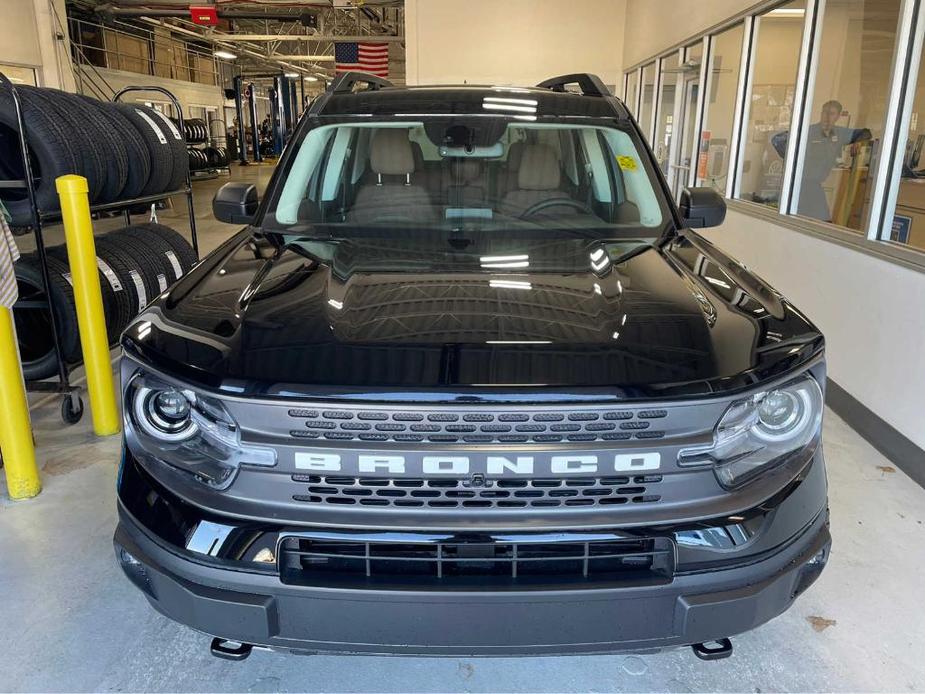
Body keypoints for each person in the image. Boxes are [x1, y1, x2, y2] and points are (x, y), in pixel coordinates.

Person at [771, 100, 871, 221]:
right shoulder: (809, 131)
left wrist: (859, 142)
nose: (827, 117)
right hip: (799, 183)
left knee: (822, 222)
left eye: (832, 114)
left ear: (838, 116)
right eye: (825, 112)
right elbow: (777, 140)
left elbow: (866, 133)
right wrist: (793, 158)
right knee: (800, 220)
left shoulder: (840, 133)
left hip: (815, 185)